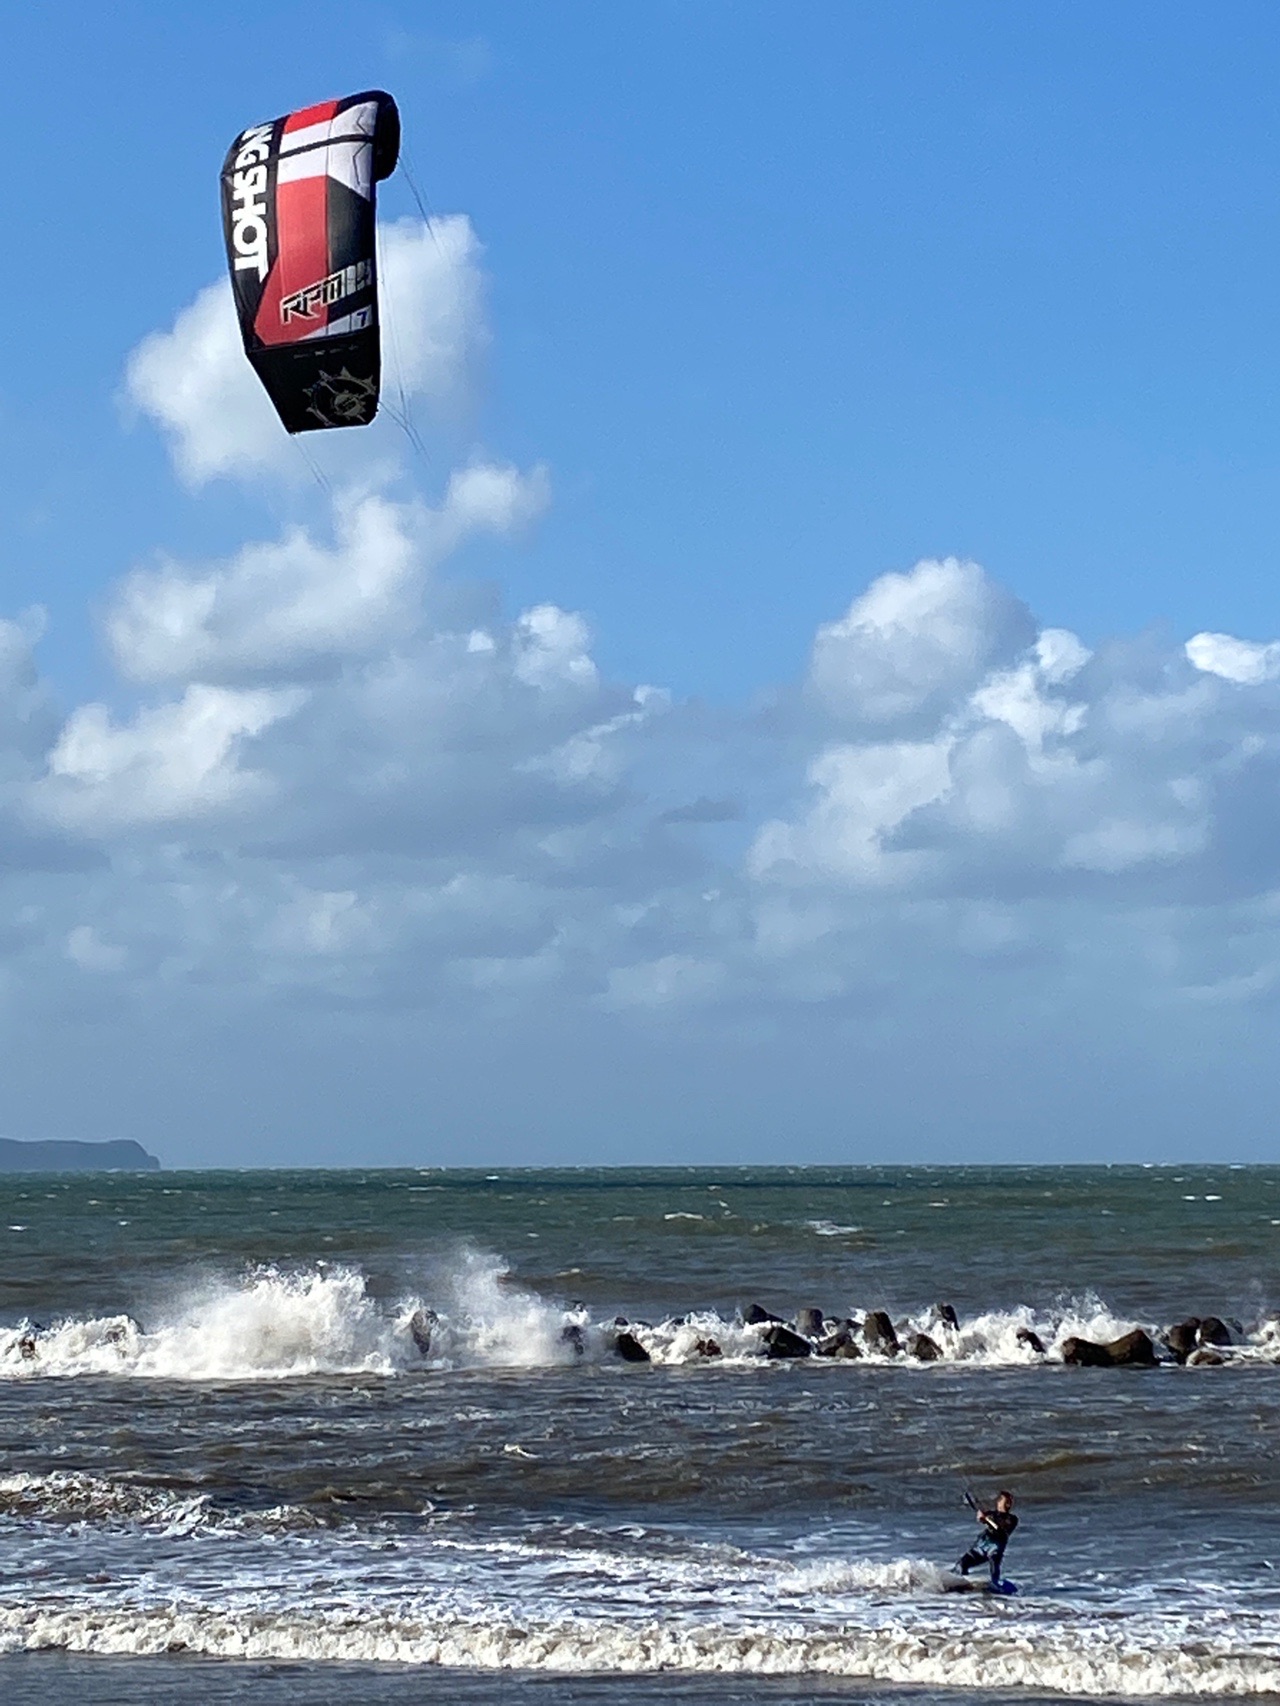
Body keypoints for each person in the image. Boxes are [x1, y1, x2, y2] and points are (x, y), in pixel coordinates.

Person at [955, 1489, 1018, 1587]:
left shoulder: (1012, 1519)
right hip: (982, 1545)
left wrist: (987, 1521)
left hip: (995, 1547)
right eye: (1002, 1500)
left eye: (1008, 1502)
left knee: (994, 1566)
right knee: (962, 1564)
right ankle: (963, 1584)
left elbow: (1001, 1530)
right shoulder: (991, 1514)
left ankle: (996, 1585)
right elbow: (984, 1518)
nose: (1005, 1503)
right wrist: (982, 1518)